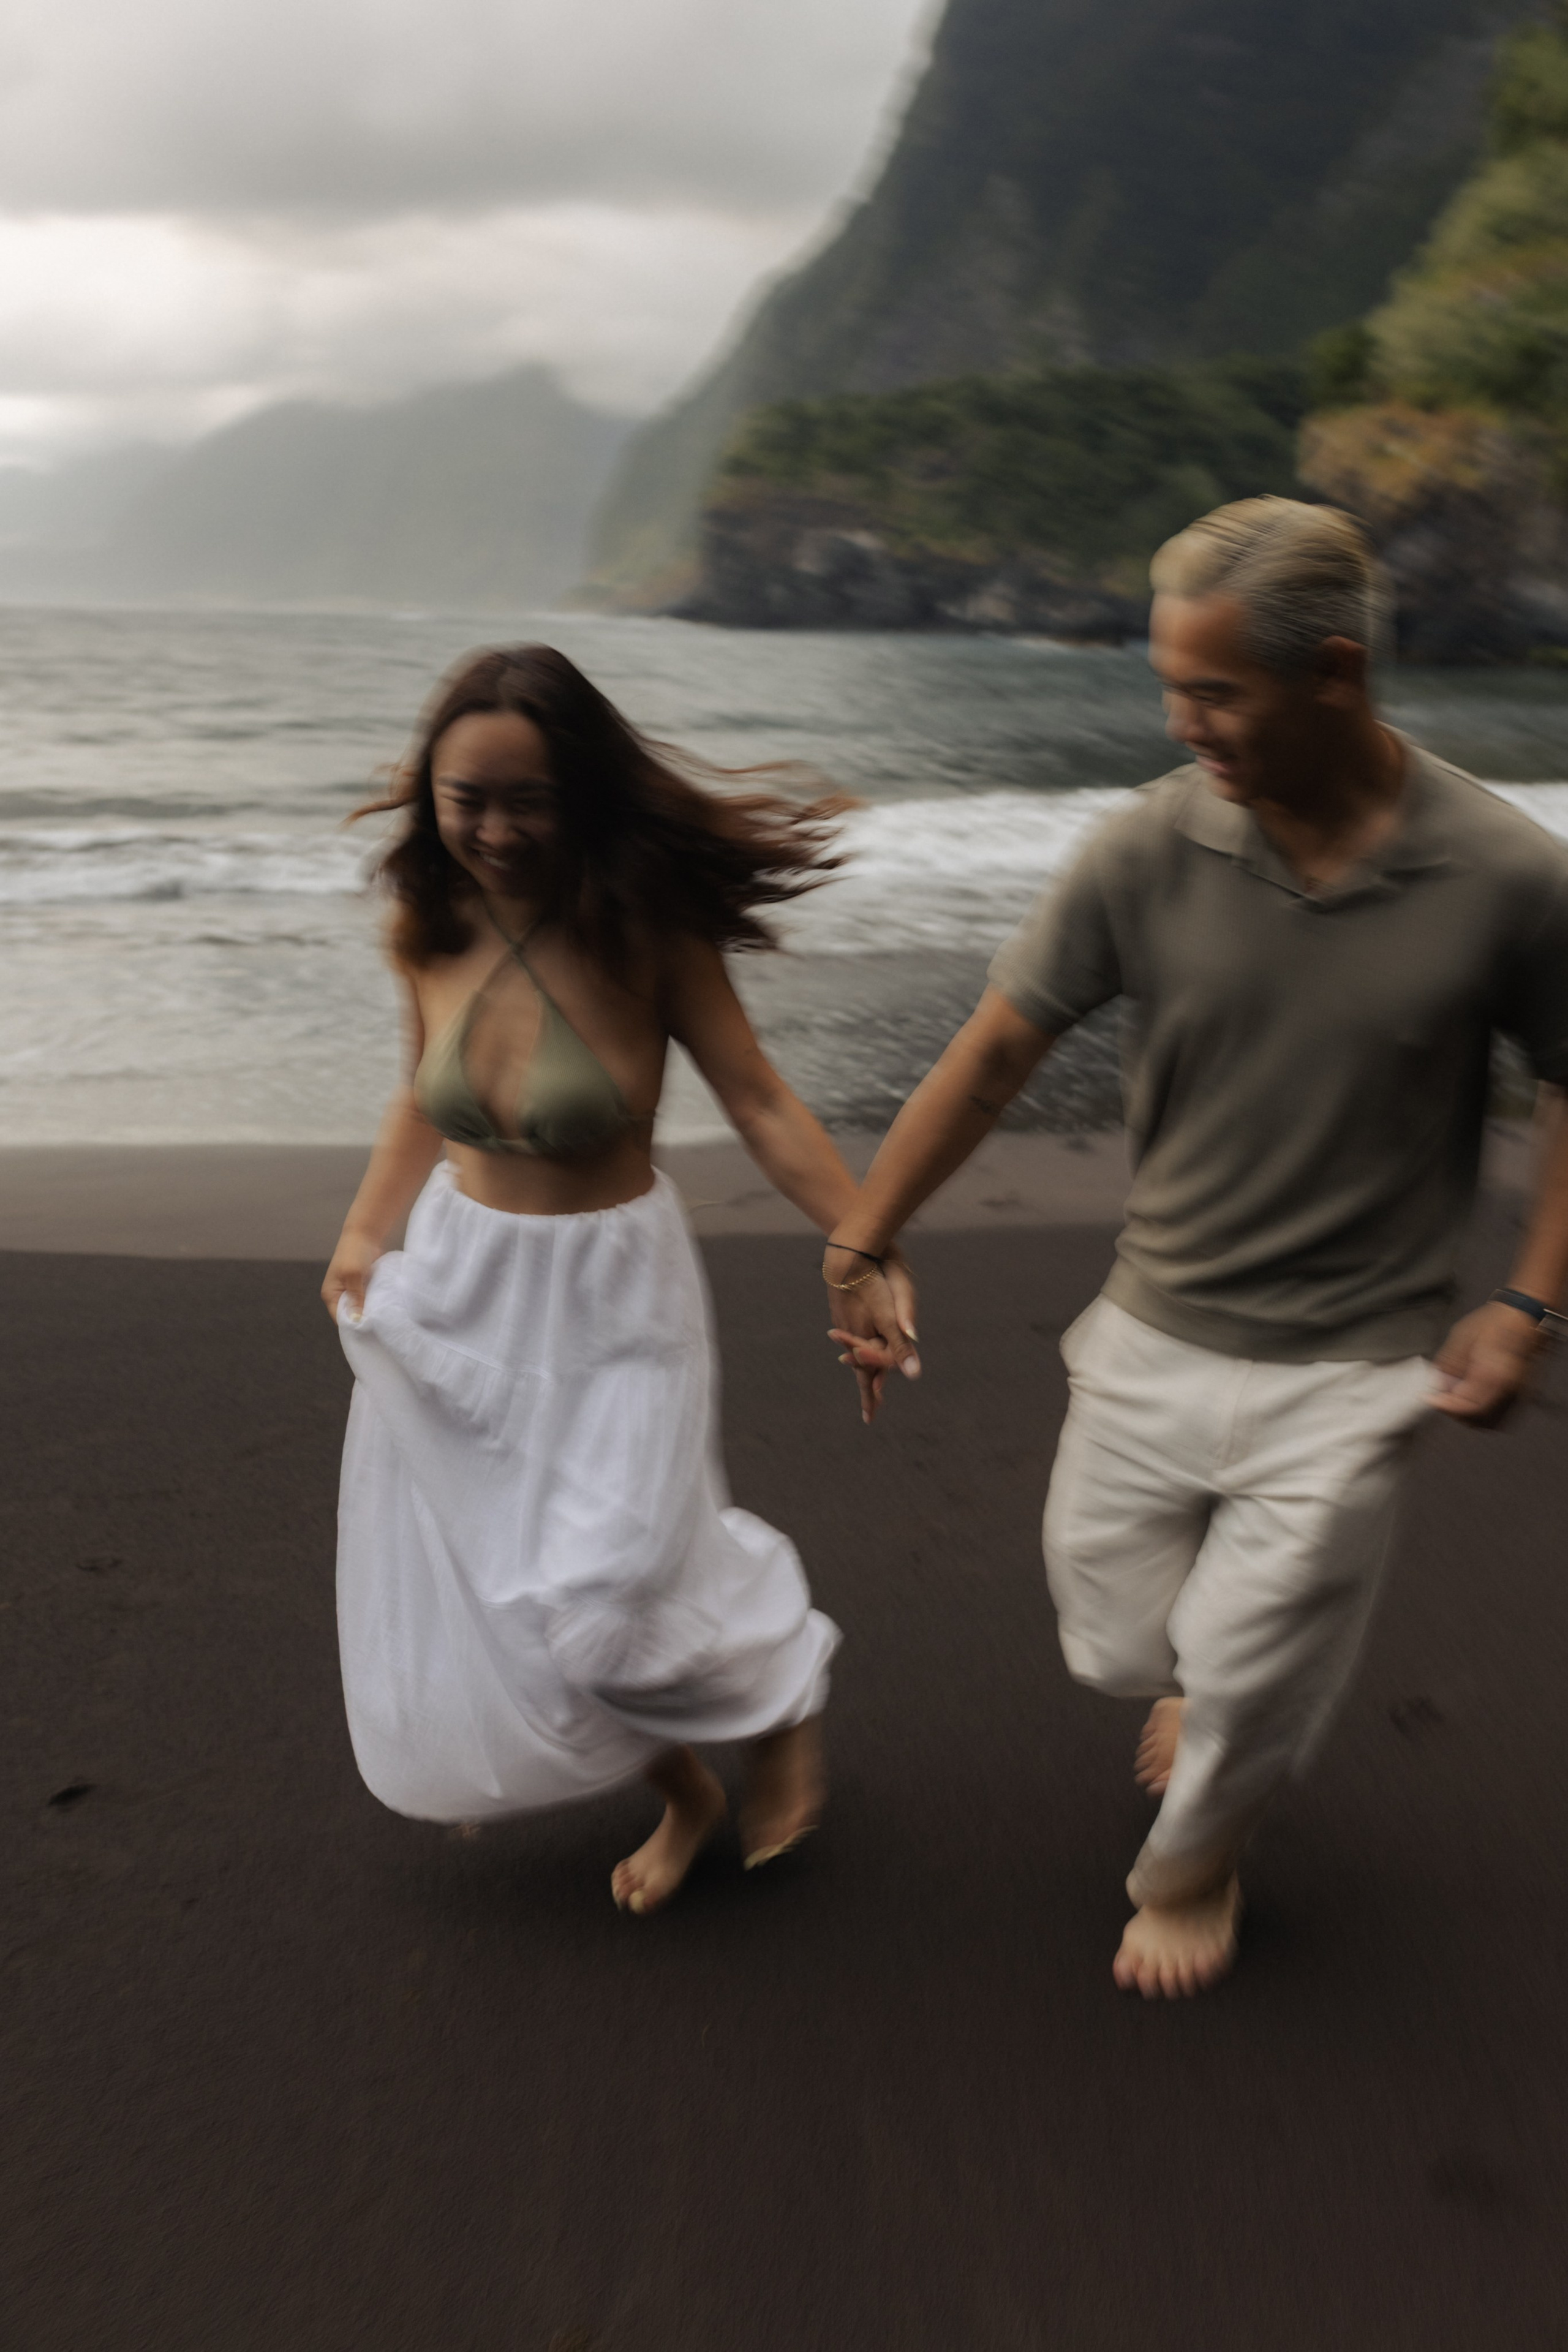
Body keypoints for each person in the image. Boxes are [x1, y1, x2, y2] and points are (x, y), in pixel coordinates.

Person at [824, 497, 1568, 1997]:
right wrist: (864, 1234)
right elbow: (988, 1057)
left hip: (1358, 1365)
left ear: (1335, 675)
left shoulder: (1506, 877)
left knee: (1247, 1667)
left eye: (1214, 692)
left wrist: (1524, 1305)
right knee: (1110, 1642)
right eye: (1170, 684)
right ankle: (1206, 1685)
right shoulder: (1143, 852)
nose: (1180, 722)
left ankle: (1192, 1867)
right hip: (1150, 1329)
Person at [322, 644, 912, 1914]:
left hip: (611, 1300)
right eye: (462, 796)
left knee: (601, 1589)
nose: (489, 828)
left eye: (523, 798)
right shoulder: (422, 925)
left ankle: (779, 1691)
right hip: (462, 1283)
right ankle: (684, 1791)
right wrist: (367, 1239)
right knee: (505, 1587)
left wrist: (859, 1241)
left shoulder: (645, 925)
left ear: (580, 791)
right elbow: (414, 1101)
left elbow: (754, 1097)